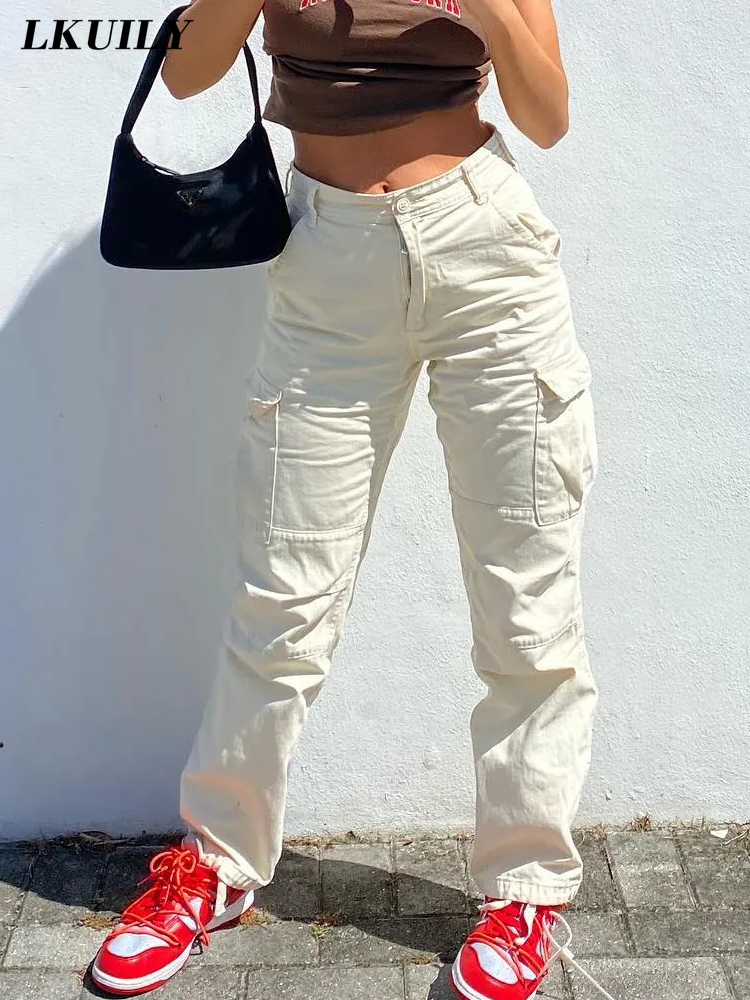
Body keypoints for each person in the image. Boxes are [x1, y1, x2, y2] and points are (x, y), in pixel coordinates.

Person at [90, 0, 607, 997]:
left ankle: (527, 890)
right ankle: (218, 865)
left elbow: (547, 116)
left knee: (527, 602)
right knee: (283, 598)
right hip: (328, 263)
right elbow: (188, 75)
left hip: (486, 255)